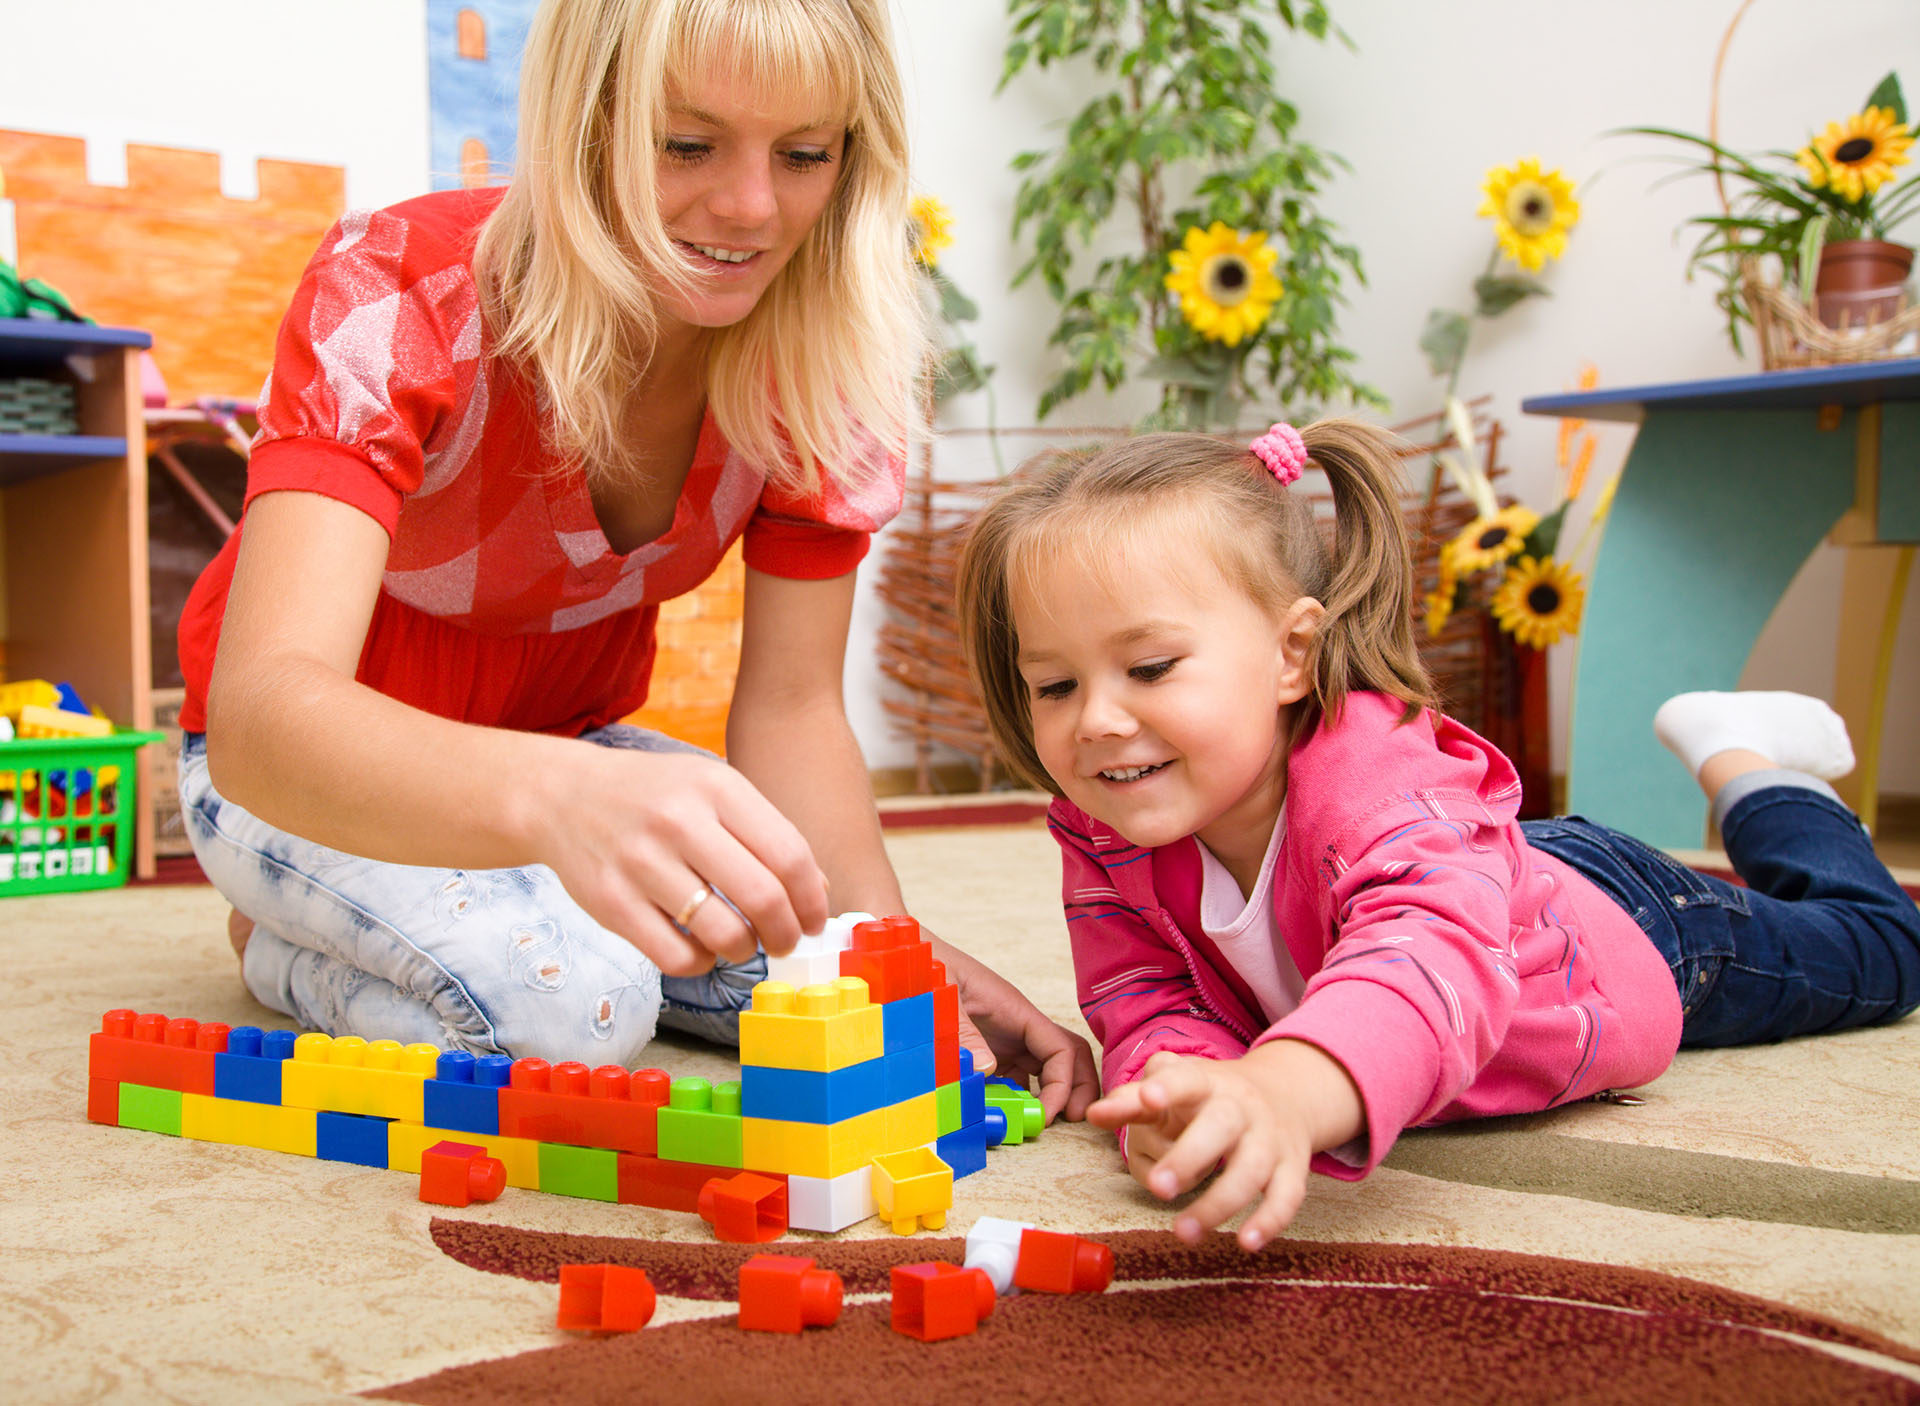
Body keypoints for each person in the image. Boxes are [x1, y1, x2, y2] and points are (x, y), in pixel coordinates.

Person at [174, 0, 1096, 1121]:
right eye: (686, 145)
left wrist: (895, 961)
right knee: (581, 1007)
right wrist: (564, 796)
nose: (752, 207)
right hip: (309, 781)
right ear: (583, 124)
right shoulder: (401, 289)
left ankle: (436, 911)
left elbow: (796, 709)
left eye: (805, 155)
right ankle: (282, 941)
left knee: (819, 986)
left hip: (568, 753)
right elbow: (265, 714)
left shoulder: (827, 362)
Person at [955, 417, 1920, 1249]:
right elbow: (1140, 993)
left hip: (1627, 928)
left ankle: (1751, 768)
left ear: (1293, 653)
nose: (1098, 722)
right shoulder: (1105, 827)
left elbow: (1423, 959)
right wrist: (1185, 1091)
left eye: (1152, 667)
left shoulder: (1376, 773)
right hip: (1482, 856)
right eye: (1056, 685)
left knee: (1884, 950)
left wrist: (1290, 1090)